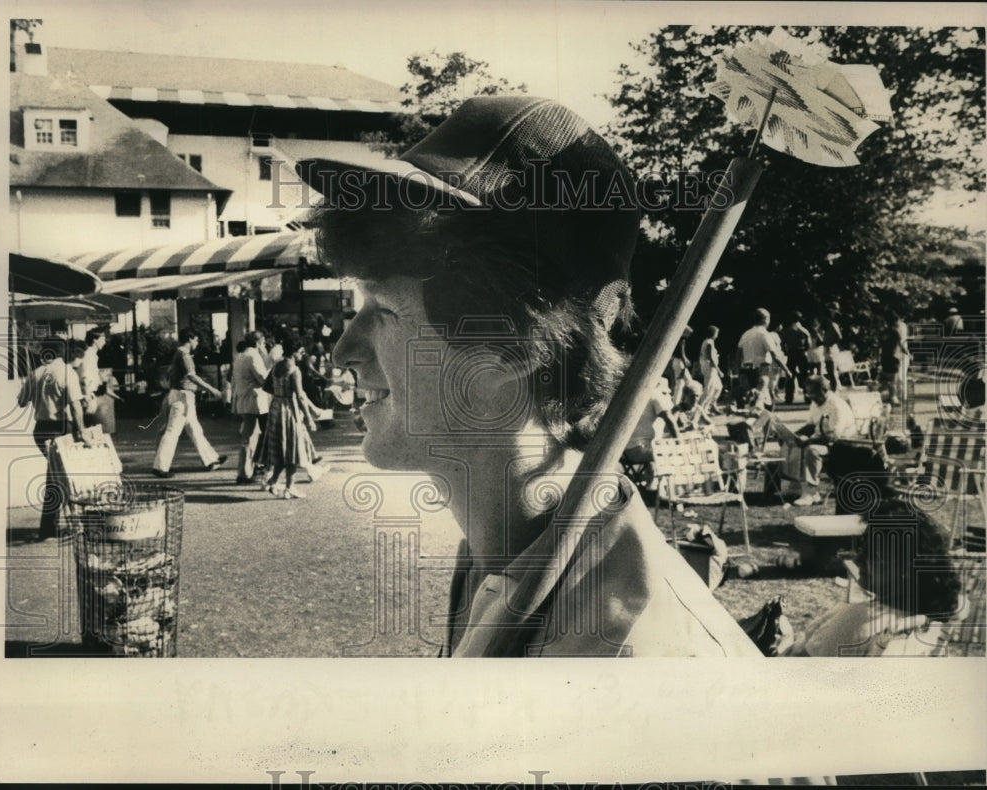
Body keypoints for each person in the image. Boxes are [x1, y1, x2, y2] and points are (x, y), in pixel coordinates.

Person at [311, 95, 758, 657]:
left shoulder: (625, 658)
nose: (343, 351)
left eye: (383, 310)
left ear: (517, 344)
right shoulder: (500, 553)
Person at [794, 497, 961, 656]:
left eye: (872, 554)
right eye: (861, 547)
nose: (858, 559)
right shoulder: (930, 625)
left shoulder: (861, 619)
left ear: (905, 569)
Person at [18, 338, 91, 541]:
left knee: (56, 477)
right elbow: (75, 406)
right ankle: (72, 524)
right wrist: (83, 432)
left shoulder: (35, 373)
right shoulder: (67, 373)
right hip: (61, 430)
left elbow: (21, 402)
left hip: (41, 430)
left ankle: (49, 527)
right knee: (66, 477)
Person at [151, 328, 227, 478]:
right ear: (190, 339)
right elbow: (192, 376)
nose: (197, 343)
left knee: (195, 430)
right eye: (196, 340)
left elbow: (170, 373)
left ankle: (211, 460)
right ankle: (160, 467)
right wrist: (212, 389)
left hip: (180, 395)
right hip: (183, 397)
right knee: (173, 432)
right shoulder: (184, 354)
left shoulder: (178, 354)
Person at [259, 337, 327, 499]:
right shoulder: (295, 370)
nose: (302, 355)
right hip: (289, 409)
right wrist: (309, 418)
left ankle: (273, 481)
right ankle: (290, 488)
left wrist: (279, 392)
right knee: (293, 450)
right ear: (295, 352)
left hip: (275, 408)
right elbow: (300, 395)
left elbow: (266, 386)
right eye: (301, 352)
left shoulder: (276, 366)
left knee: (281, 449)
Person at [779, 375, 857, 506]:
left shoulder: (836, 406)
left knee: (812, 450)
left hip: (842, 445)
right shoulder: (816, 403)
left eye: (812, 393)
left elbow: (834, 436)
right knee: (792, 444)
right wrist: (793, 435)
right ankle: (795, 486)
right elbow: (811, 425)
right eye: (808, 393)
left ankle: (811, 492)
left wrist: (809, 441)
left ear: (824, 390)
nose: (810, 396)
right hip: (823, 440)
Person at [231, 331, 270, 485]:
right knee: (255, 437)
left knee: (248, 437)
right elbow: (263, 379)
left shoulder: (240, 356)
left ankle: (246, 470)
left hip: (243, 400)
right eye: (263, 342)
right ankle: (249, 470)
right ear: (258, 343)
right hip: (254, 401)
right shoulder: (254, 356)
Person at [737, 308, 790, 406]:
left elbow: (739, 353)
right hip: (762, 370)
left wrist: (739, 371)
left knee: (752, 399)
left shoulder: (746, 334)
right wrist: (786, 370)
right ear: (765, 319)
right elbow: (774, 355)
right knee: (764, 401)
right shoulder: (764, 334)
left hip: (747, 369)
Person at [781, 311, 813, 404]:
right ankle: (807, 397)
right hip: (802, 353)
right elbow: (809, 344)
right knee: (805, 375)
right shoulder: (804, 331)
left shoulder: (787, 331)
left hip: (791, 353)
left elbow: (782, 344)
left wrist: (785, 351)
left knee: (790, 375)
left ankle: (789, 397)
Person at [79, 327, 107, 428]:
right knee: (87, 425)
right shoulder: (89, 355)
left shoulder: (92, 355)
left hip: (90, 394)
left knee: (89, 425)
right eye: (103, 339)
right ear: (95, 340)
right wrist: (87, 395)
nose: (105, 342)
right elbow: (85, 376)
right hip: (88, 395)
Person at [697, 325, 724, 414]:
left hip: (709, 367)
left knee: (718, 387)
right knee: (708, 389)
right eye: (717, 333)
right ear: (714, 333)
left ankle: (708, 406)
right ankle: (699, 408)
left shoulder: (707, 341)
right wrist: (719, 371)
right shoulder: (709, 342)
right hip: (710, 368)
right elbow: (710, 358)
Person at [820, 316, 843, 392]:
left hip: (831, 349)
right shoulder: (826, 327)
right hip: (827, 348)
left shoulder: (833, 325)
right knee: (829, 369)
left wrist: (830, 344)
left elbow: (839, 336)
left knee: (832, 369)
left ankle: (834, 388)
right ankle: (834, 387)